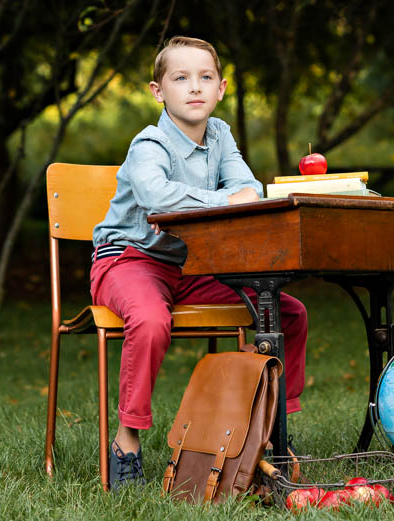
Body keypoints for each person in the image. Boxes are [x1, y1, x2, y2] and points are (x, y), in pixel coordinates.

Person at [91, 34, 308, 492]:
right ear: (158, 91)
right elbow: (157, 198)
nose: (195, 87)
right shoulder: (148, 144)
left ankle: (273, 434)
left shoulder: (221, 134)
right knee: (151, 321)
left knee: (288, 311)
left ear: (222, 88)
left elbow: (247, 186)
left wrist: (239, 195)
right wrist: (227, 199)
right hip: (130, 260)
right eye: (181, 78)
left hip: (193, 266)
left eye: (205, 77)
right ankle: (126, 441)